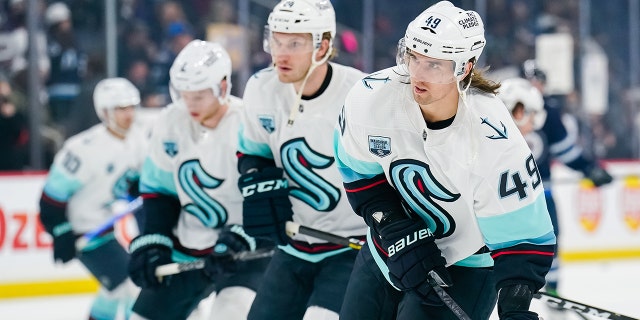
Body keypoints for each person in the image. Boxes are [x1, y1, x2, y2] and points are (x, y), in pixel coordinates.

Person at [334, 2, 556, 319]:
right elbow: (358, 171)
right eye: (412, 57)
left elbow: (525, 238)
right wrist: (394, 226)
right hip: (387, 254)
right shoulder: (371, 97)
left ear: (463, 67)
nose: (417, 74)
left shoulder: (494, 138)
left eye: (434, 65)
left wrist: (515, 309)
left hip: (465, 267)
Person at [236, 0, 368, 319]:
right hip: (294, 246)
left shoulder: (360, 94)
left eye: (294, 43)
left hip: (352, 249)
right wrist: (258, 178)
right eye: (276, 41)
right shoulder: (260, 88)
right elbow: (253, 153)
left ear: (323, 46)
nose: (280, 53)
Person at [127, 39, 271, 320]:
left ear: (223, 87)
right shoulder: (171, 120)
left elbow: (268, 194)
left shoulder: (249, 124)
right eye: (184, 94)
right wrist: (155, 239)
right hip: (188, 246)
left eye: (199, 95)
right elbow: (160, 191)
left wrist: (242, 238)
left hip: (244, 251)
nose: (189, 103)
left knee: (230, 313)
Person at [39, 77, 145, 320]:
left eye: (131, 107)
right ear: (104, 112)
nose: (128, 114)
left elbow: (140, 184)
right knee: (127, 284)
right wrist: (61, 231)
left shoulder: (138, 140)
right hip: (82, 230)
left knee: (115, 290)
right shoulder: (82, 149)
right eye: (121, 108)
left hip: (104, 225)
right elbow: (50, 199)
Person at [497, 76, 612, 300]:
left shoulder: (544, 110)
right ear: (518, 111)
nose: (533, 126)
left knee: (548, 239)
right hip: (514, 198)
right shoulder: (497, 126)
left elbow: (565, 150)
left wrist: (588, 168)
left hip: (539, 192)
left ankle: (551, 287)